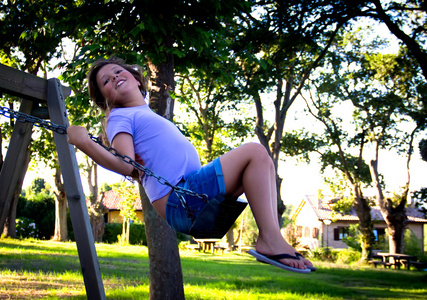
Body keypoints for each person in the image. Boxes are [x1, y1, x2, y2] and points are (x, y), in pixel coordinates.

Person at [67, 56, 315, 273]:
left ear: (137, 79)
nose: (114, 77)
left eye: (118, 72)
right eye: (106, 81)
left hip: (190, 197)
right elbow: (125, 165)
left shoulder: (145, 114)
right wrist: (83, 143)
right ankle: (270, 239)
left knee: (261, 166)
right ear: (105, 99)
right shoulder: (120, 117)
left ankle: (272, 238)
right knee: (255, 152)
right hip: (180, 200)